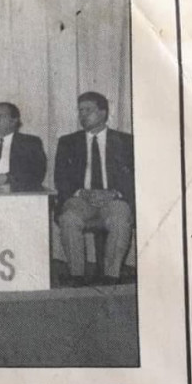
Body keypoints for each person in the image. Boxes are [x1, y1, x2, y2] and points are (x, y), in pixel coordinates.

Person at [54, 91, 135, 286]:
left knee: (119, 220)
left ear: (103, 113)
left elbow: (135, 178)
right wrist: (82, 192)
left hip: (114, 199)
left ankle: (111, 277)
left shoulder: (126, 141)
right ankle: (77, 275)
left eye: (88, 110)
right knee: (69, 219)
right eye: (80, 111)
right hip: (81, 199)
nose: (82, 115)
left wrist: (114, 193)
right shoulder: (67, 142)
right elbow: (61, 178)